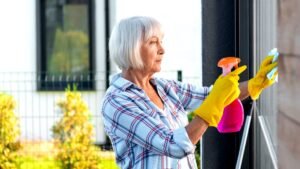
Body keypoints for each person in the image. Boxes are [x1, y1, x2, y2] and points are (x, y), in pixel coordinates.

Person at [101, 16, 278, 169]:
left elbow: (214, 96)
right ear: (131, 48)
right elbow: (173, 145)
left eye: (161, 42)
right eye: (153, 42)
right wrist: (213, 103)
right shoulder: (117, 102)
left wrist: (256, 83)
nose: (162, 50)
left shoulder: (164, 88)